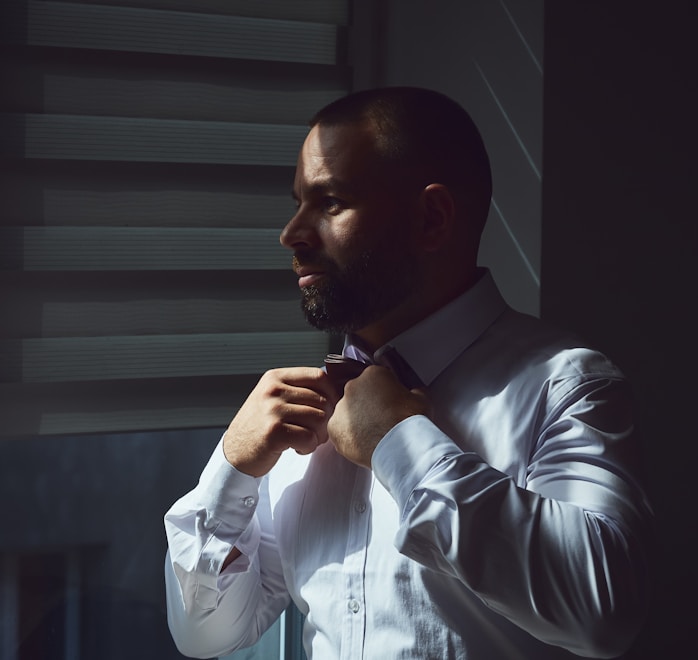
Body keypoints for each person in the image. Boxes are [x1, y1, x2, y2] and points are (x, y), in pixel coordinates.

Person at [164, 86, 653, 659]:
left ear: (431, 218)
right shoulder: (303, 419)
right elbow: (207, 633)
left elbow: (606, 614)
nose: (292, 234)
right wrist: (232, 469)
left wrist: (401, 445)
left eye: (329, 203)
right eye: (297, 202)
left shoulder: (565, 386)